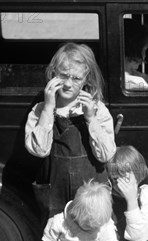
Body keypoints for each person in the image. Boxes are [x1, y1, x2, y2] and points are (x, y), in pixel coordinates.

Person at [25, 42, 116, 220]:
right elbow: (39, 150)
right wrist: (48, 108)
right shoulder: (39, 110)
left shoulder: (98, 110)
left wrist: (91, 119)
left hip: (91, 198)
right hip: (54, 196)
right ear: (53, 73)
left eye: (76, 78)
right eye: (63, 76)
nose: (68, 84)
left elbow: (105, 155)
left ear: (86, 79)